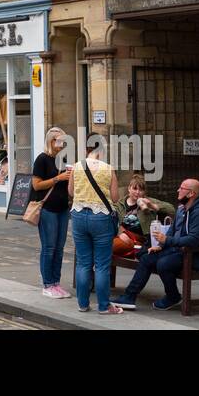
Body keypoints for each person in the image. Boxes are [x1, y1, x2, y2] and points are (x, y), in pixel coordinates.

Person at [112, 179, 199, 311]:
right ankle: (129, 297)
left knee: (163, 263)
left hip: (198, 255)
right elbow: (172, 231)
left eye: (182, 188)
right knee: (147, 257)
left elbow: (193, 240)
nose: (178, 190)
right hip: (180, 250)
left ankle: (172, 296)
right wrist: (161, 246)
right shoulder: (182, 209)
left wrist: (167, 241)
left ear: (191, 194)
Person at [70, 141, 123, 315]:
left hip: (78, 215)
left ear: (87, 150)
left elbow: (71, 192)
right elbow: (115, 198)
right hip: (101, 218)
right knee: (101, 265)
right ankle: (104, 306)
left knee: (84, 263)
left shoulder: (77, 166)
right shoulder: (108, 169)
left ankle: (83, 304)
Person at [32, 127, 74, 299]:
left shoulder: (64, 158)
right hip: (47, 208)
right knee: (49, 247)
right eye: (58, 140)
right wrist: (58, 178)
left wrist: (72, 177)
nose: (62, 143)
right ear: (50, 141)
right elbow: (36, 185)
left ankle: (56, 283)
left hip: (63, 208)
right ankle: (47, 284)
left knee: (59, 247)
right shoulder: (42, 159)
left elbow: (69, 186)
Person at [116, 174, 176, 256]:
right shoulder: (120, 204)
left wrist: (152, 205)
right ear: (129, 188)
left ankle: (136, 248)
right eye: (135, 188)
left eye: (141, 190)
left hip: (142, 239)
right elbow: (114, 221)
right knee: (106, 243)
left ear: (144, 192)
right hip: (124, 236)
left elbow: (171, 209)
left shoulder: (148, 201)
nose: (137, 192)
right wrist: (120, 233)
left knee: (111, 247)